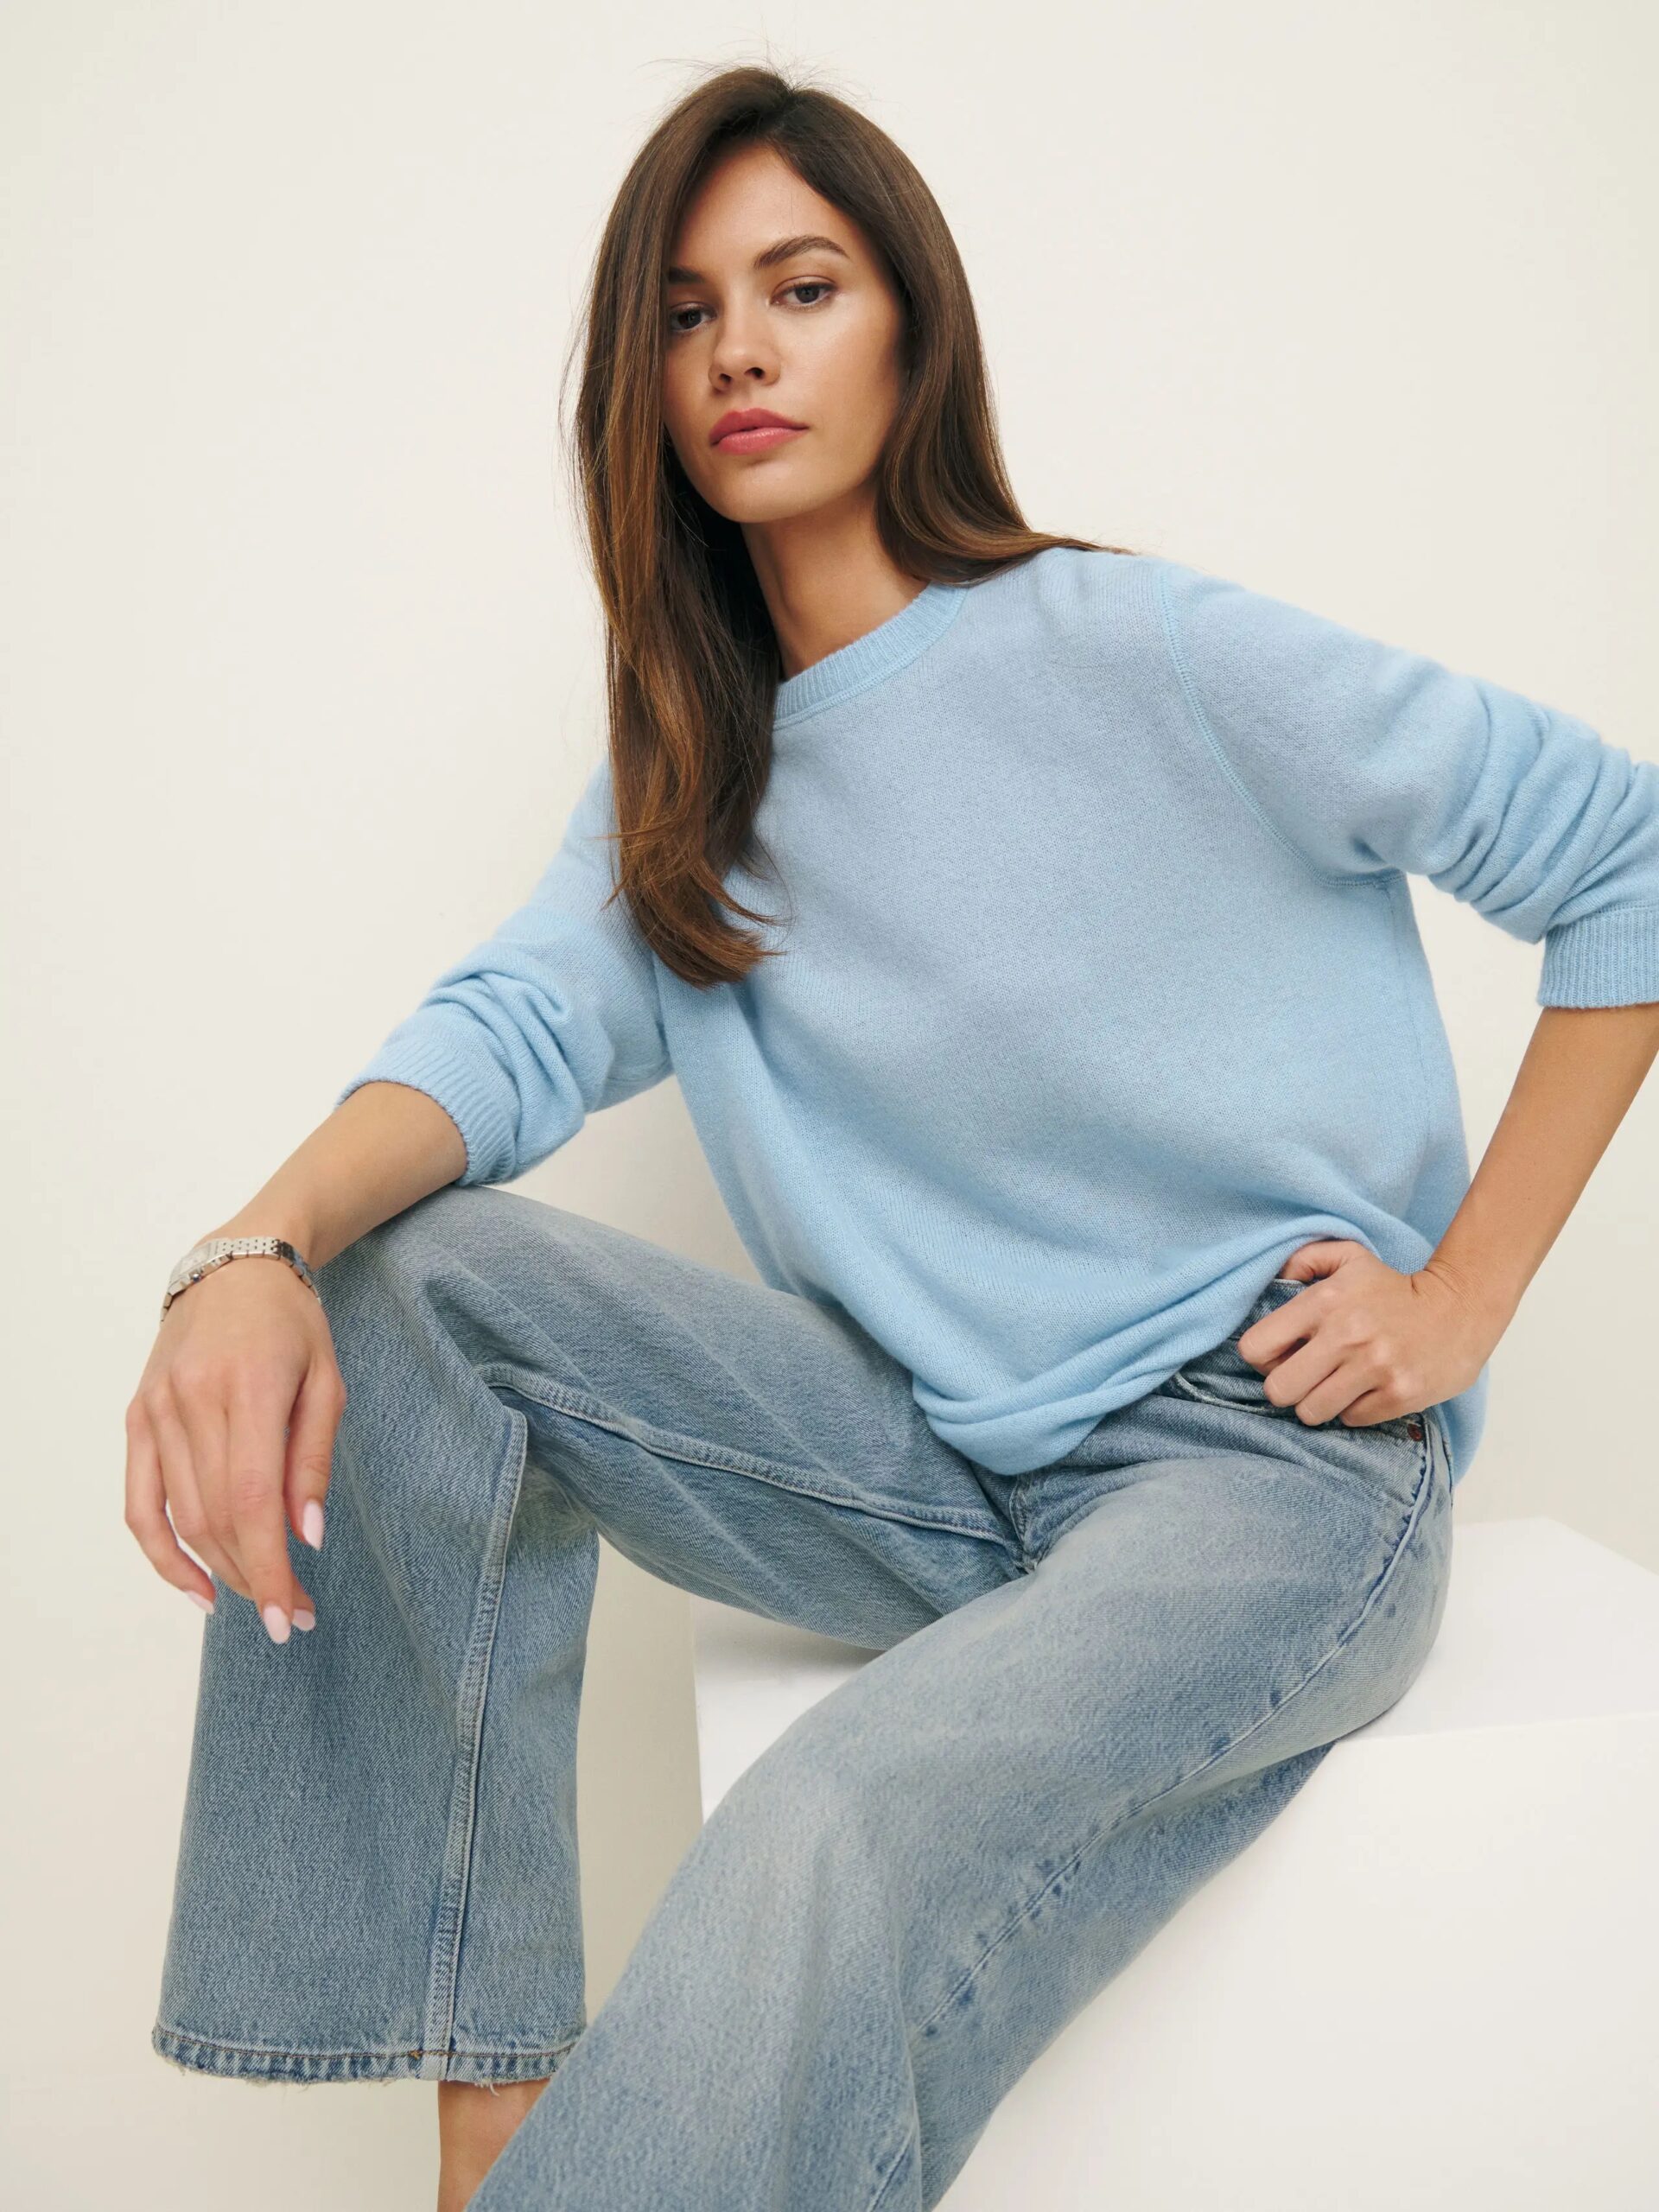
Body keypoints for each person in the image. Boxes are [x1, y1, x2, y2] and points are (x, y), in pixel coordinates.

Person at [130, 62, 1659, 2212]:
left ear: (909, 333)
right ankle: (486, 2123)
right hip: (936, 1467)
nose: (740, 348)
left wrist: (1466, 1292)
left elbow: (1628, 853)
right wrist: (245, 1253)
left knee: (825, 1826)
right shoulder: (686, 789)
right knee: (390, 1286)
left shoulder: (1145, 650)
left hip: (1265, 1472)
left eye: (801, 284)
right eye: (683, 312)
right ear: (643, 388)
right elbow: (491, 1042)